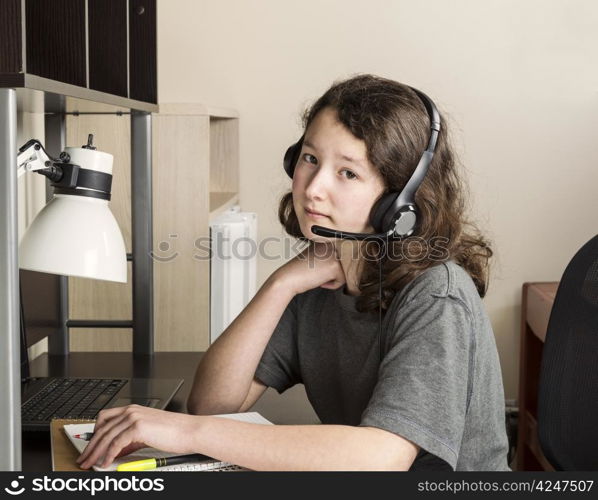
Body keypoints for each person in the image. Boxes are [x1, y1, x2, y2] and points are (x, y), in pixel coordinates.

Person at [77, 74, 510, 471]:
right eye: (309, 158)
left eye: (347, 172)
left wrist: (186, 432)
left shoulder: (436, 296)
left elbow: (384, 455)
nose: (313, 186)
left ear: (400, 203)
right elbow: (212, 404)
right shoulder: (318, 277)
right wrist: (280, 284)